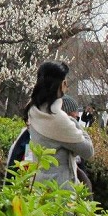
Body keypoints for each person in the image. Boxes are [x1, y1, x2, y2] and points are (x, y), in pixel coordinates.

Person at [24, 61, 93, 191]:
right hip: (61, 191)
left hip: (39, 185)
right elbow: (88, 151)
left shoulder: (33, 111)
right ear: (60, 84)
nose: (67, 87)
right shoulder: (59, 119)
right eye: (65, 82)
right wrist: (74, 122)